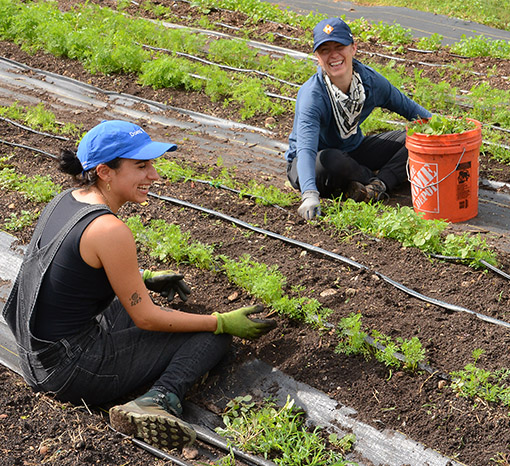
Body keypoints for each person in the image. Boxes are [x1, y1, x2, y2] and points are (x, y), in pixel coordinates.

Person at [2, 120, 275, 450]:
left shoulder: (68, 200)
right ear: (105, 171)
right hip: (68, 372)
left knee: (137, 306)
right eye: (141, 166)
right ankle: (158, 400)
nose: (154, 176)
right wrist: (221, 322)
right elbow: (146, 318)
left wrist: (142, 279)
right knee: (208, 337)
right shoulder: (108, 229)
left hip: (35, 353)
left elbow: (70, 268)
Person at [285, 17, 432, 220]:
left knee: (415, 139)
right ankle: (365, 178)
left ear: (353, 48)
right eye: (325, 50)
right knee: (328, 162)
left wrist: (447, 132)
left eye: (339, 46)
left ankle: (377, 186)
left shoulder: (369, 82)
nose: (333, 55)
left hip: (353, 151)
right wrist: (309, 194)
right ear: (318, 58)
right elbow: (306, 149)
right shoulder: (313, 96)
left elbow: (409, 108)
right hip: (313, 162)